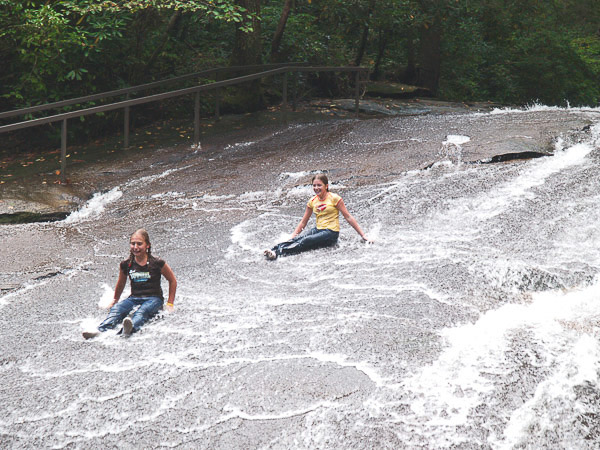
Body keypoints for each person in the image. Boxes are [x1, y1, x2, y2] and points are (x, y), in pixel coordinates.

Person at [83, 229, 177, 339]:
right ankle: (100, 330)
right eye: (133, 244)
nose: (136, 247)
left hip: (154, 299)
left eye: (139, 244)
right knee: (117, 310)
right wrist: (115, 300)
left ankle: (128, 328)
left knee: (142, 311)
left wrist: (170, 304)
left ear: (147, 245)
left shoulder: (157, 263)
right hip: (134, 298)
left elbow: (172, 281)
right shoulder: (126, 264)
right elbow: (121, 283)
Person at [264, 173, 370, 260]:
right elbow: (303, 222)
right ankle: (273, 249)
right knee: (297, 239)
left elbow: (348, 217)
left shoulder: (335, 198)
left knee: (306, 241)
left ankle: (278, 253)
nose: (316, 188)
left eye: (319, 185)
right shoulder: (312, 201)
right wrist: (293, 235)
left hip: (331, 233)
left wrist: (363, 235)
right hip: (318, 229)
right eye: (314, 185)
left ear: (326, 186)